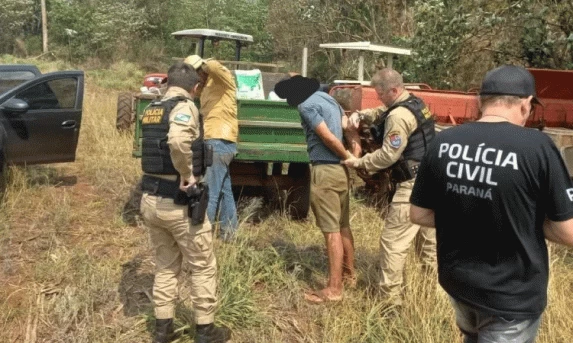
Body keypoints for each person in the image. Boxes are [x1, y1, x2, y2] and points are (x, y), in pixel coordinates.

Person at [410, 64, 573, 343]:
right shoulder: (537, 147)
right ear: (525, 105)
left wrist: (469, 215)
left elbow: (418, 213)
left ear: (480, 101)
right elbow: (568, 231)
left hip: (459, 285)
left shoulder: (444, 141)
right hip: (510, 296)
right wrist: (517, 220)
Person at [139, 62, 230, 343]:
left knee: (166, 266)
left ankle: (163, 329)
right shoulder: (185, 106)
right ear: (196, 87)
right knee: (202, 265)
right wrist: (188, 174)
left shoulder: (152, 109)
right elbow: (178, 142)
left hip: (151, 199)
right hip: (177, 203)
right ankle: (205, 330)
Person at [342, 68, 437, 307]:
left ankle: (389, 303)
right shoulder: (415, 103)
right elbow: (384, 112)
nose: (379, 97)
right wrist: (362, 115)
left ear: (394, 90)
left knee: (393, 244)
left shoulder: (399, 117)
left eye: (381, 93)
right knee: (429, 248)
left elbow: (388, 155)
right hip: (433, 183)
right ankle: (432, 298)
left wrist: (360, 162)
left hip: (411, 187)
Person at [274, 75, 356, 303]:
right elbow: (348, 130)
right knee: (343, 226)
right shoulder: (331, 101)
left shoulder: (307, 104)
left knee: (331, 232)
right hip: (341, 172)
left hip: (325, 171)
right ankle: (350, 276)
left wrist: (345, 155)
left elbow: (327, 137)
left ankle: (334, 289)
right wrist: (353, 157)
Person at [184, 55, 239, 241]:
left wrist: (202, 63)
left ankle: (202, 238)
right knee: (225, 191)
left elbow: (215, 67)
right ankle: (230, 234)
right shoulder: (207, 88)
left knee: (211, 191)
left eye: (199, 72)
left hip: (219, 140)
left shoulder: (222, 80)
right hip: (219, 142)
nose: (199, 77)